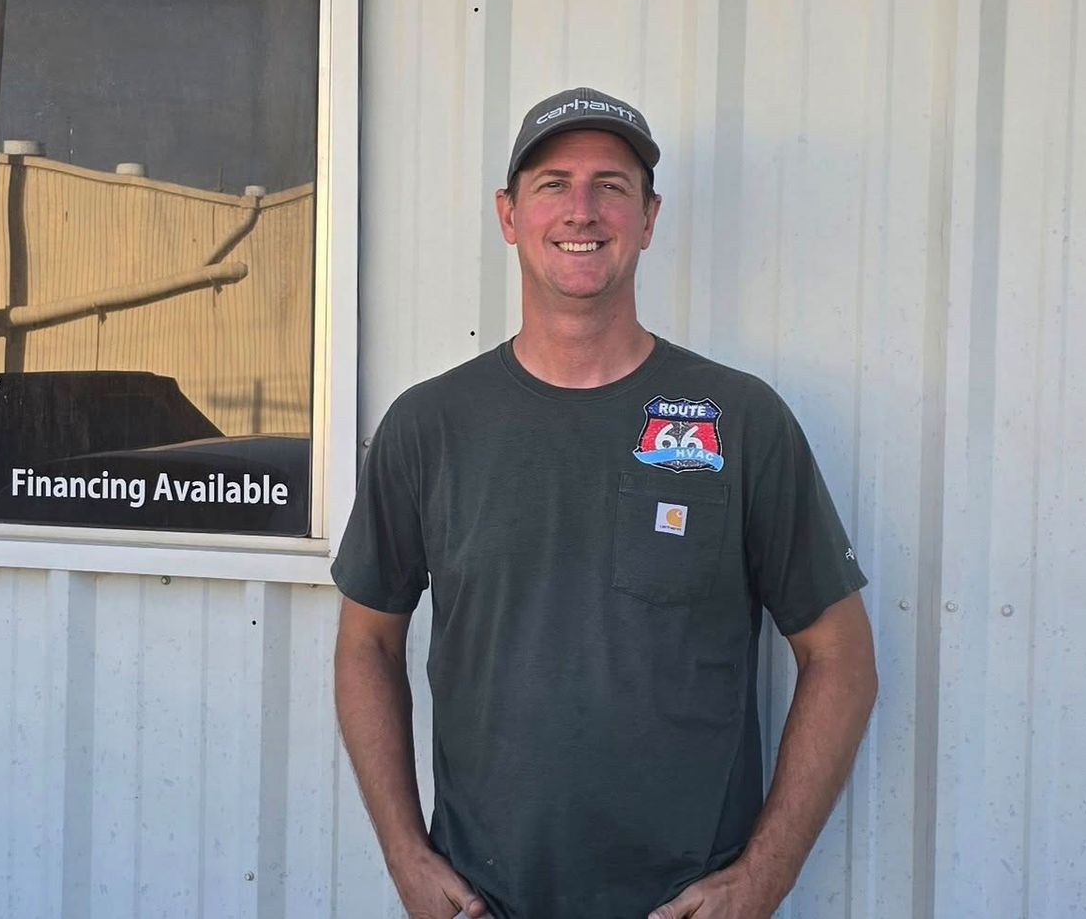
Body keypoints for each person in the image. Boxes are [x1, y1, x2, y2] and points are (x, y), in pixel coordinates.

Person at [332, 87, 877, 919]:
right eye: (553, 184)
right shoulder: (430, 425)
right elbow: (366, 643)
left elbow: (842, 656)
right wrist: (407, 855)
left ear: (649, 217)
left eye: (611, 186)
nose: (581, 210)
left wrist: (763, 878)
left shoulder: (739, 420)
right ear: (509, 215)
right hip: (485, 903)